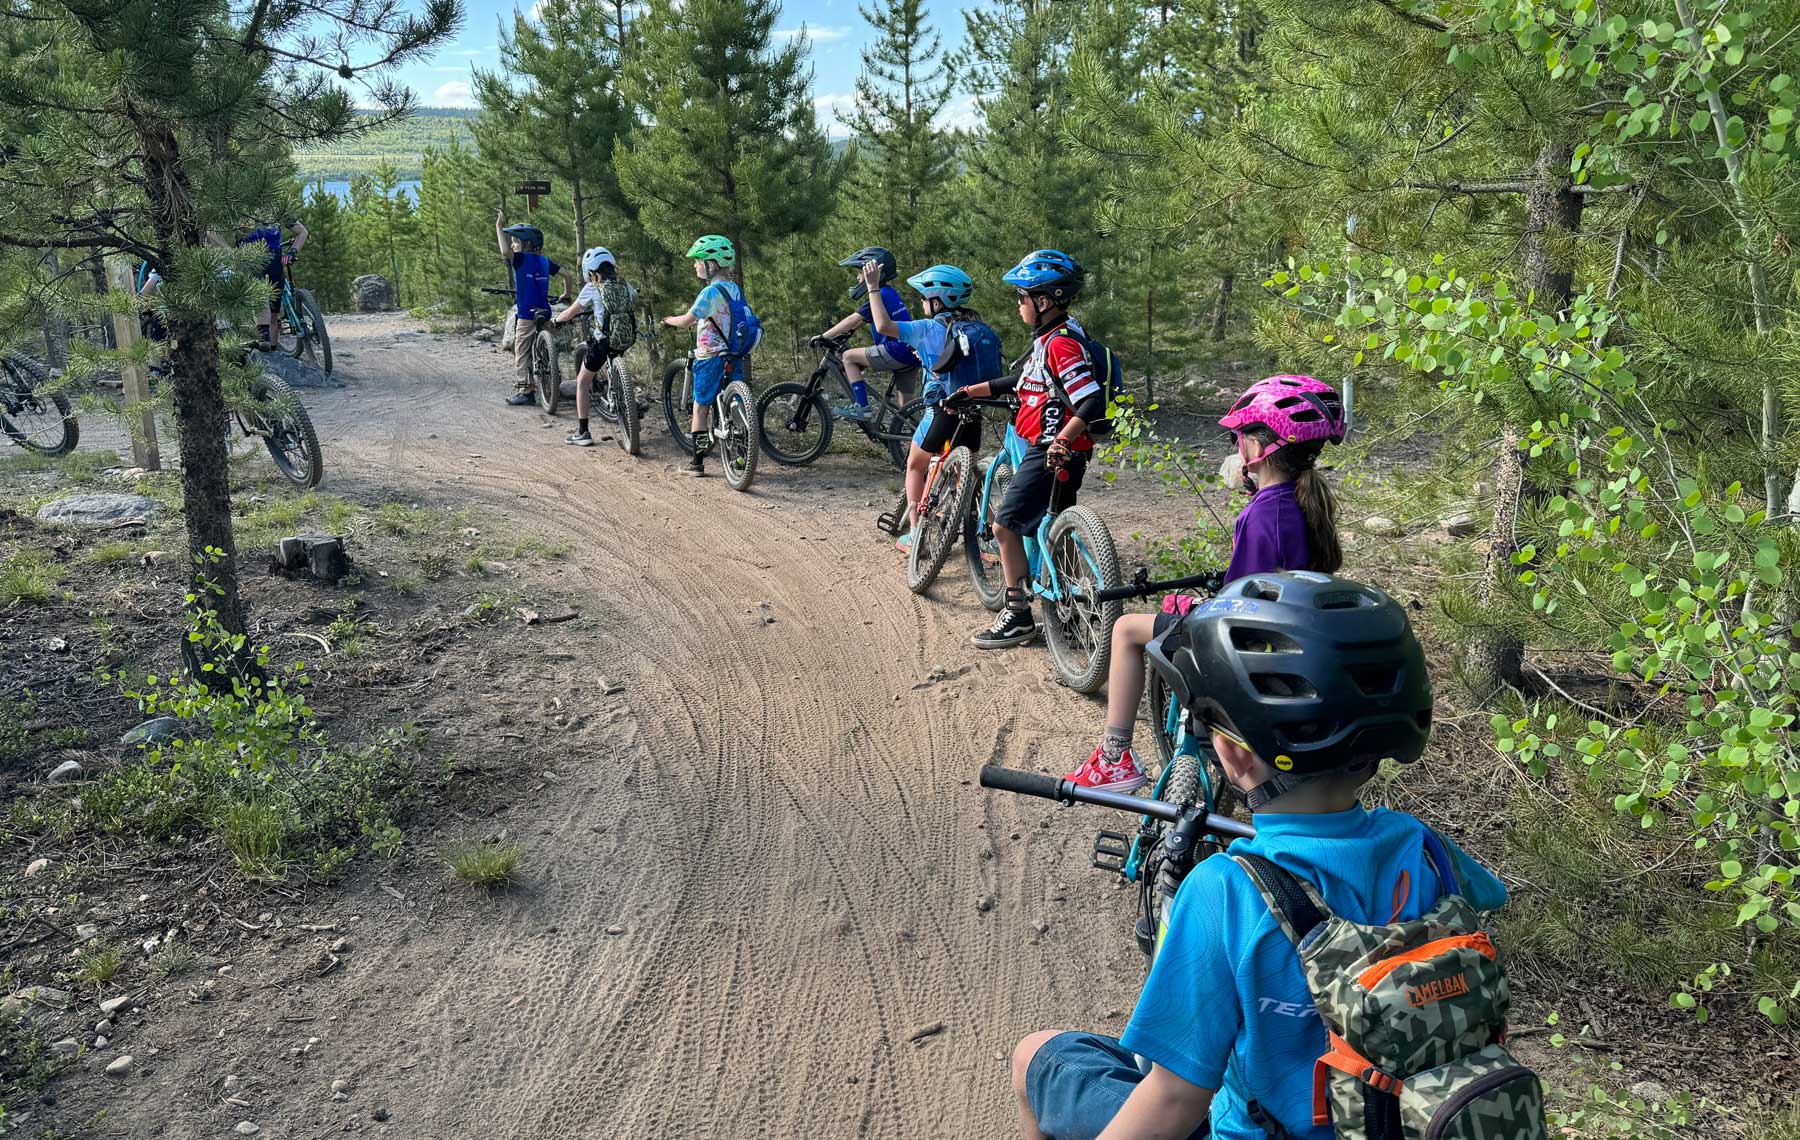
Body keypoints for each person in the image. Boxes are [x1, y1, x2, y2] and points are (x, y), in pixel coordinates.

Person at [1009, 571, 1509, 1140]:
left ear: (1232, 755)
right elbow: (1490, 894)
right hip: (1416, 1121)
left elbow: (1173, 1101)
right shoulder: (1426, 848)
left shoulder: (1225, 890)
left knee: (1035, 1056)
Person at [1065, 375, 1347, 791]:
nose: (1238, 444)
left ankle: (1114, 758)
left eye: (1241, 436)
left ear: (1259, 448)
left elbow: (1239, 607)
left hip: (1250, 646)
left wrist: (1191, 607)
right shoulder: (1302, 501)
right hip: (1292, 638)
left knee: (1126, 629)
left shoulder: (1263, 514)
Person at [944, 250, 1103, 649]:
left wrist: (1062, 439)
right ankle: (1069, 613)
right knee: (1055, 529)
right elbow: (1024, 380)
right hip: (1059, 449)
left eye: (1022, 297)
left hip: (1051, 449)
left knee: (1004, 527)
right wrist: (973, 391)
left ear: (1043, 301)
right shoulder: (1054, 336)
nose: (1019, 304)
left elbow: (1090, 400)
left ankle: (1017, 616)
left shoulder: (1060, 344)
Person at [861, 259, 991, 552]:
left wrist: (872, 287)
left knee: (915, 465)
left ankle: (916, 535)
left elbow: (882, 326)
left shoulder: (926, 328)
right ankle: (977, 537)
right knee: (966, 474)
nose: (921, 302)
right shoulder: (977, 328)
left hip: (942, 412)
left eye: (923, 297)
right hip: (973, 412)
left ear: (936, 301)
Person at [660, 234, 745, 477]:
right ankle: (742, 457)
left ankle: (696, 463)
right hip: (734, 353)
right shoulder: (734, 288)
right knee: (736, 404)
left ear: (711, 264)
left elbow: (688, 320)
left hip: (710, 356)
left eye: (697, 261)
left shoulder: (710, 292)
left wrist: (668, 320)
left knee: (700, 408)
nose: (695, 265)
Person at [815, 248, 923, 423]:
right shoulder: (890, 292)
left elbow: (853, 319)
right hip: (910, 352)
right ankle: (917, 435)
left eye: (860, 273)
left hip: (895, 350)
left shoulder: (878, 294)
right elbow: (864, 319)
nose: (858, 278)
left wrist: (823, 336)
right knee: (907, 411)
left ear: (874, 273)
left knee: (848, 357)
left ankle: (862, 408)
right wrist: (850, 332)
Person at [552, 246, 638, 447]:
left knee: (582, 381)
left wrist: (556, 320)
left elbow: (571, 312)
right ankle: (626, 400)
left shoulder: (592, 287)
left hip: (603, 341)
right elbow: (634, 299)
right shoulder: (624, 284)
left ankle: (583, 432)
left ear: (591, 272)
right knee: (612, 359)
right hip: (625, 338)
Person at [495, 211, 573, 407]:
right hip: (544, 311)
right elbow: (567, 275)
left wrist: (499, 226)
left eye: (515, 242)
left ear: (527, 244)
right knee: (547, 347)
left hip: (527, 314)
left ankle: (526, 391)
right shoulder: (545, 262)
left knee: (521, 351)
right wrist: (566, 294)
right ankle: (553, 380)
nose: (513, 245)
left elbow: (504, 252)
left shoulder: (521, 259)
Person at [239, 219, 309, 350]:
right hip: (259, 259)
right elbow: (302, 232)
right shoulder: (243, 212)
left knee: (271, 308)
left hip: (267, 259)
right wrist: (292, 252)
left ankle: (269, 344)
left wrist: (292, 252)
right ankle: (267, 340)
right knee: (266, 300)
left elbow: (302, 232)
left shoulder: (275, 211)